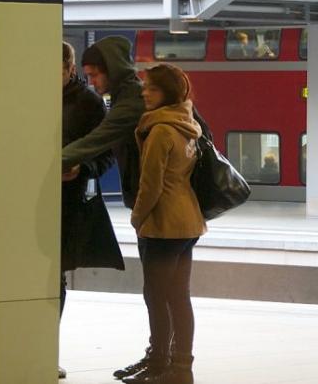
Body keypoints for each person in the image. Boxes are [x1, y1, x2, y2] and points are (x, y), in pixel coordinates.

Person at [122, 64, 206, 384]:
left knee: (156, 296)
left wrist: (136, 217)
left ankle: (159, 365)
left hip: (163, 224)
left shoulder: (159, 130)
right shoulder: (187, 123)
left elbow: (151, 185)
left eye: (152, 88)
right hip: (188, 222)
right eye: (144, 86)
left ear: (167, 93)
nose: (144, 92)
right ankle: (181, 368)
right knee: (178, 296)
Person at [59, 42, 125, 379]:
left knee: (53, 278)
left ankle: (45, 347)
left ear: (68, 68)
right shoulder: (23, 92)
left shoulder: (88, 103)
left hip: (66, 204)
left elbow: (107, 154)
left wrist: (81, 168)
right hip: (24, 202)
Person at [62, 36, 145, 209]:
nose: (91, 81)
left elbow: (95, 142)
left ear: (113, 70)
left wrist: (48, 164)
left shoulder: (131, 102)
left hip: (158, 203)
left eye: (94, 75)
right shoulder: (126, 96)